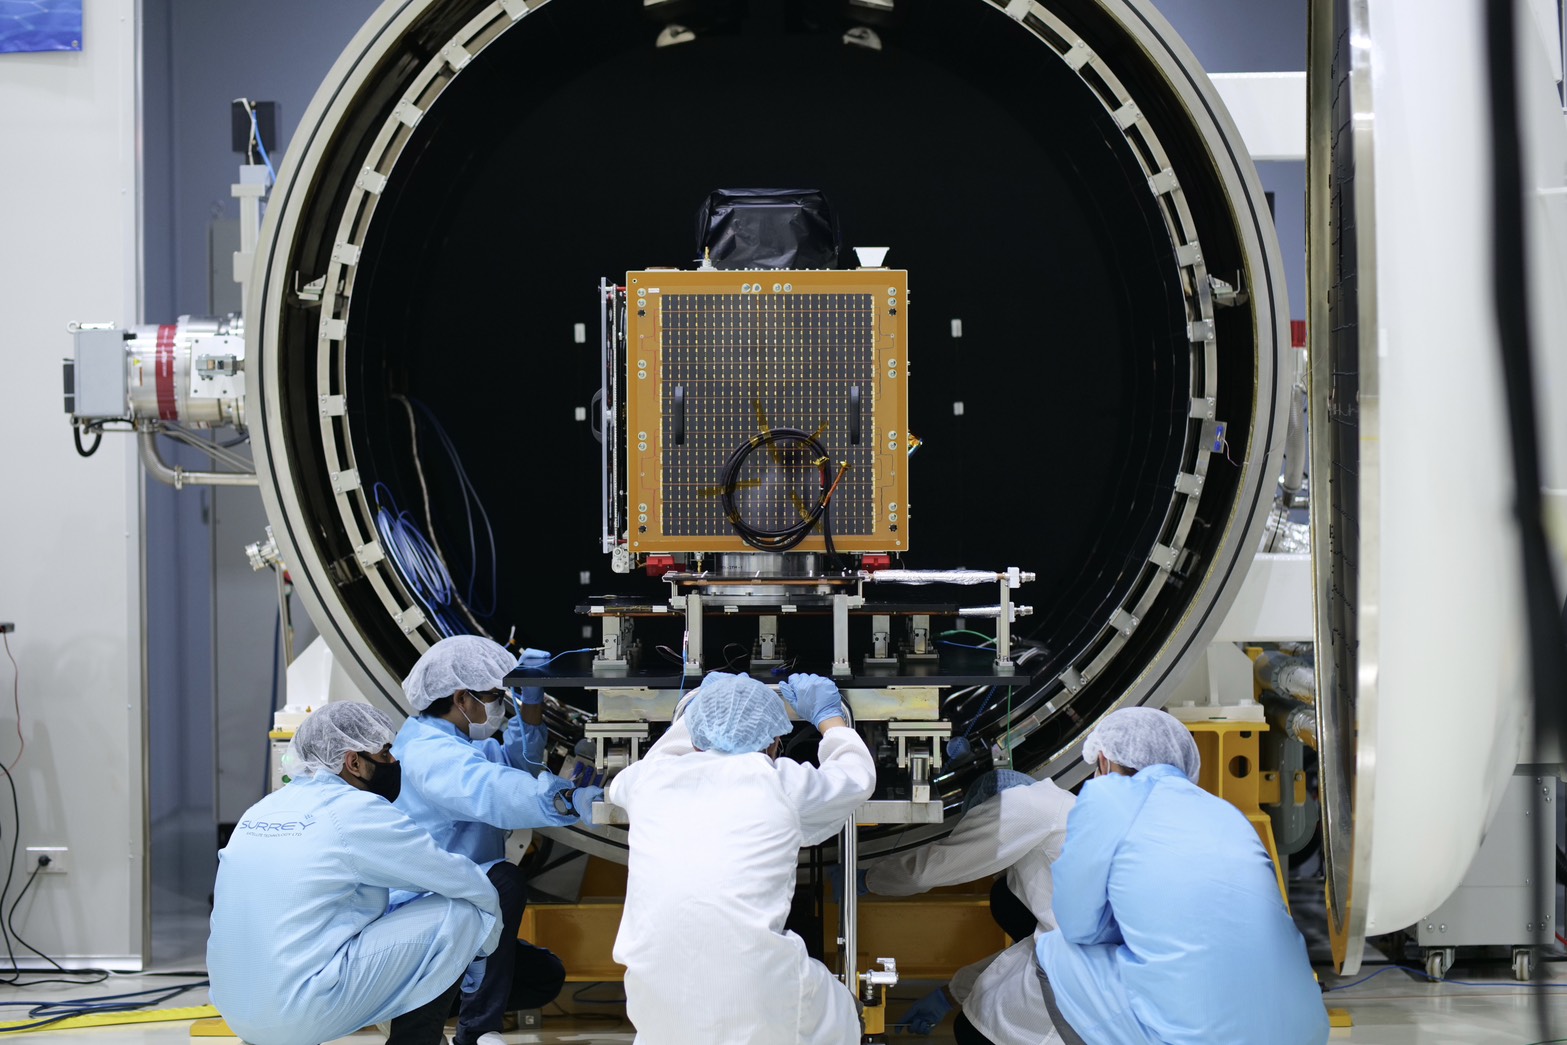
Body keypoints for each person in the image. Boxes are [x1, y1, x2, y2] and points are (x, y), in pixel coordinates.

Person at [208, 702, 503, 1045]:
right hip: (299, 1012)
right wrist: (483, 945)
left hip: (236, 1011)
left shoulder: (263, 808)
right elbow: (456, 877)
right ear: (354, 762)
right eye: (385, 753)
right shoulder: (354, 809)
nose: (393, 762)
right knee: (462, 913)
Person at [608, 671, 877, 1045]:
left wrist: (695, 707)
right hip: (757, 992)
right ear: (774, 744)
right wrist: (829, 718)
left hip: (653, 995)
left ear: (695, 736)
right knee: (844, 1013)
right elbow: (855, 777)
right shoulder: (781, 784)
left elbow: (665, 756)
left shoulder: (645, 780)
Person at [1034, 707, 1329, 1045]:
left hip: (1198, 1038)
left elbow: (1077, 925)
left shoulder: (1106, 797)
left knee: (1054, 951)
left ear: (1104, 760)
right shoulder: (1225, 812)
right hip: (1305, 1033)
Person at [393, 635, 602, 1045]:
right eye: (494, 696)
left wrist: (532, 698)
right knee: (504, 880)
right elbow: (493, 789)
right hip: (427, 911)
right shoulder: (429, 754)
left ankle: (435, 995)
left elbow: (516, 766)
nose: (499, 707)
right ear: (461, 698)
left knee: (543, 976)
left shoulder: (461, 743)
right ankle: (471, 1030)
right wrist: (566, 799)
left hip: (462, 903)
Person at [857, 768, 1074, 1043]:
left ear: (986, 811)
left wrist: (867, 879)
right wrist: (948, 995)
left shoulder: (1024, 806)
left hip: (1071, 988)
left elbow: (929, 870)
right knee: (1005, 898)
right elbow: (1033, 946)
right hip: (1078, 977)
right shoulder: (1062, 813)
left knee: (976, 1030)